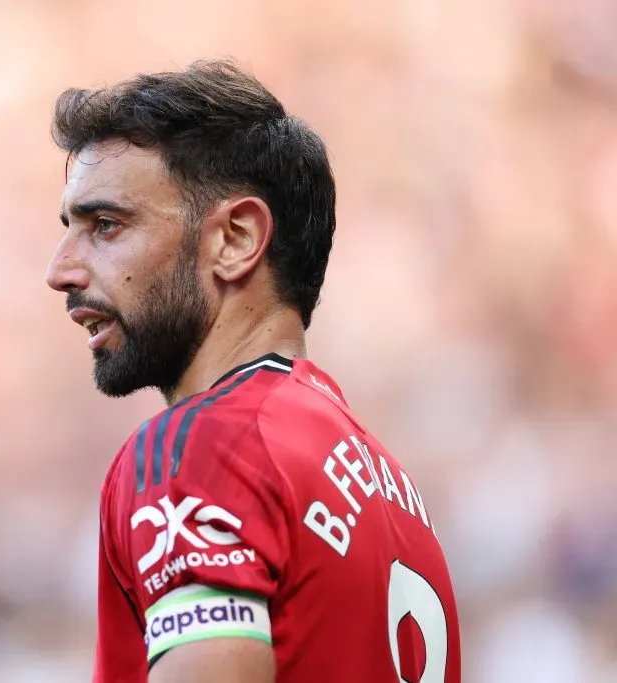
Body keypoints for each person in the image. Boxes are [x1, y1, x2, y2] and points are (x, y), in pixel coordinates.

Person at [45, 60, 461, 683]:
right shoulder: (390, 490)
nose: (61, 270)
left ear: (236, 238)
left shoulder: (203, 447)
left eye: (106, 225)